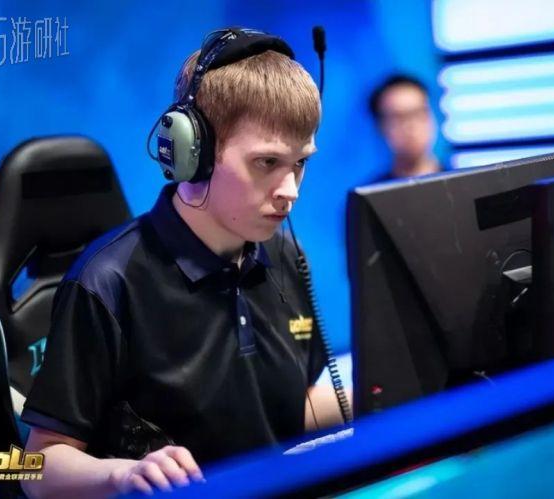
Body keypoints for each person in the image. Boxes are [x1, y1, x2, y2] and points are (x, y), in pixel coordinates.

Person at [20, 28, 345, 499]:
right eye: (266, 163)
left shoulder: (285, 256)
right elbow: (33, 468)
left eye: (300, 163)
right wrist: (122, 475)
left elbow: (294, 408)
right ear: (195, 153)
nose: (290, 191)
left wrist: (390, 383)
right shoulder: (107, 282)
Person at [367, 74, 442, 182]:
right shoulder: (371, 191)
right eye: (399, 118)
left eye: (418, 113)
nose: (410, 126)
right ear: (380, 127)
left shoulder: (463, 183)